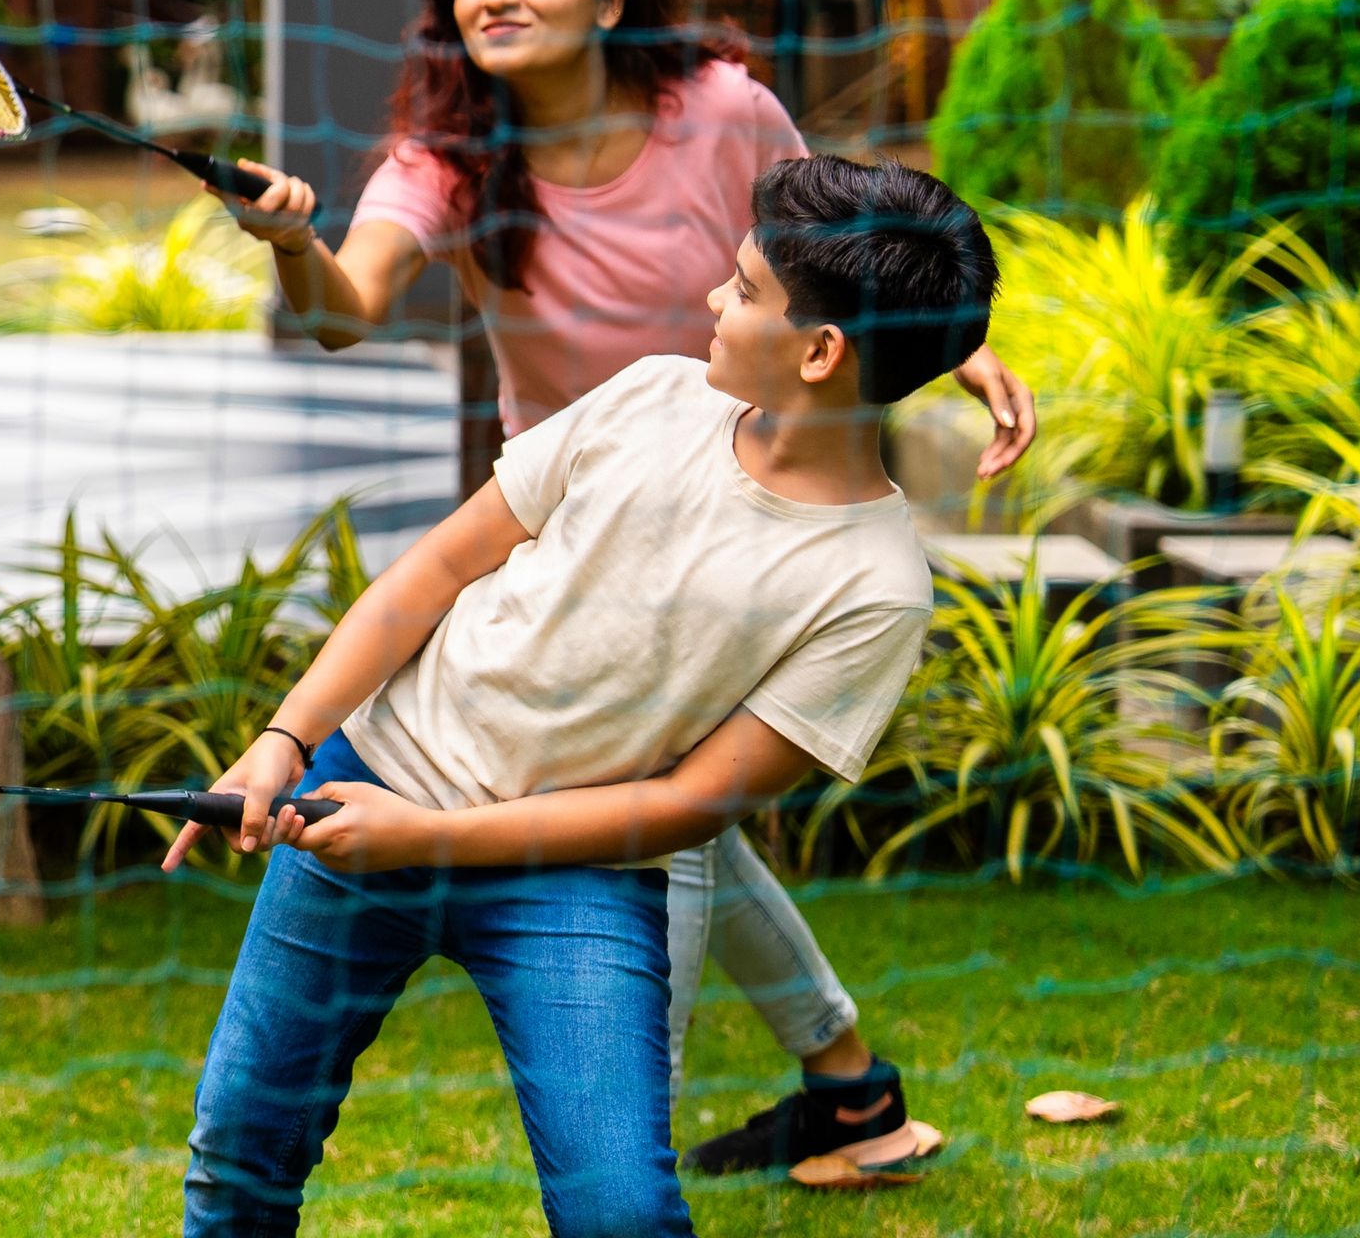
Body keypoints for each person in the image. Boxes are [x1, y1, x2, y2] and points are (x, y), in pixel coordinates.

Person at [211, 0, 1031, 1174]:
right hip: (582, 520)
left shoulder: (721, 113)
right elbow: (345, 307)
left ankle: (700, 1134)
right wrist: (291, 244)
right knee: (642, 808)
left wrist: (951, 355)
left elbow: (844, 255)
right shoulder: (451, 159)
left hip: (769, 522)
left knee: (663, 834)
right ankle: (846, 1085)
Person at [165, 155, 1000, 1238]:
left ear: (822, 352)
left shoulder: (875, 587)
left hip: (575, 876)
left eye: (744, 291)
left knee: (619, 1213)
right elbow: (436, 570)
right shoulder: (652, 397)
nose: (713, 298)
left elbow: (694, 807)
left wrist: (430, 840)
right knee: (240, 1155)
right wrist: (286, 740)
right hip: (367, 784)